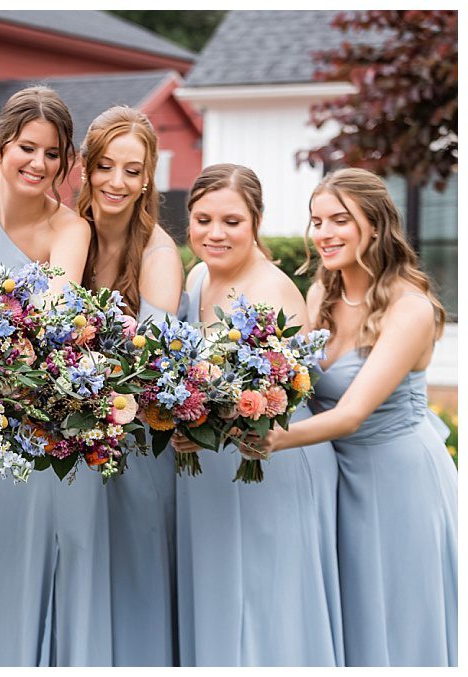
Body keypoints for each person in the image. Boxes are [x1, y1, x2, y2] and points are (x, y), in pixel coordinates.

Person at [256, 167, 456, 667]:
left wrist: (271, 440)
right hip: (336, 480)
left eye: (339, 221)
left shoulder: (410, 308)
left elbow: (349, 415)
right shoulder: (322, 295)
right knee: (351, 616)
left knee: (399, 616)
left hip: (398, 481)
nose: (324, 233)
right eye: (316, 221)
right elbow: (292, 382)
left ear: (375, 224)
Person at [0, 86, 108, 666]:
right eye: (27, 148)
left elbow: (49, 326)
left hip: (38, 431)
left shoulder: (71, 230)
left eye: (53, 153)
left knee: (36, 570)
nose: (39, 163)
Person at [172, 164, 341, 666]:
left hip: (268, 462)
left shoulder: (272, 289)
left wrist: (210, 423)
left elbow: (288, 390)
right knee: (222, 591)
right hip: (209, 469)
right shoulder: (197, 273)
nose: (215, 234)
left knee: (267, 602)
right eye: (203, 220)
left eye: (231, 220)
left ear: (256, 221)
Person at [76, 107, 184, 666]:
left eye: (132, 170)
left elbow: (153, 369)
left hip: (139, 444)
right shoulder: (72, 235)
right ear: (87, 167)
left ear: (147, 179)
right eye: (105, 166)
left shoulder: (159, 255)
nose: (116, 182)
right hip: (76, 438)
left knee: (136, 576)